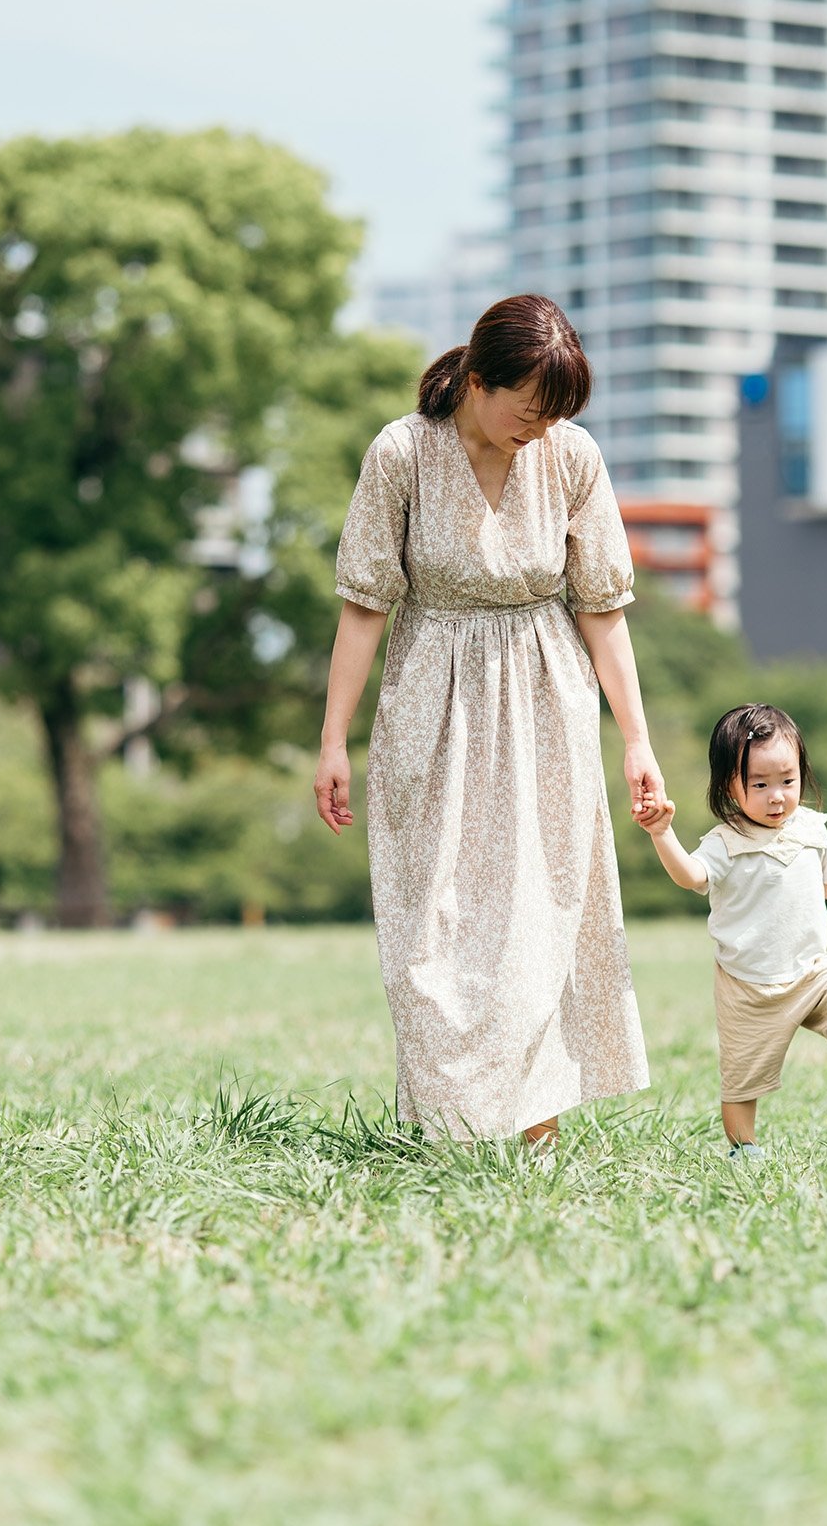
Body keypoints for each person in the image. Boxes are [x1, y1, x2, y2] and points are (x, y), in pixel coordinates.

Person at [313, 294, 663, 1148]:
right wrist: (333, 739)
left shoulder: (572, 458)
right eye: (529, 410)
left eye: (555, 416)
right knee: (431, 922)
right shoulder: (402, 453)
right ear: (477, 379)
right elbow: (364, 605)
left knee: (539, 916)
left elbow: (603, 610)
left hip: (548, 695)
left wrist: (638, 740)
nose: (539, 430)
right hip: (431, 696)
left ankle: (534, 1135)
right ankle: (452, 1129)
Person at [634, 702, 827, 1159]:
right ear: (730, 786)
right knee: (742, 1080)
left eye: (787, 781)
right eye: (760, 785)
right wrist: (662, 834)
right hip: (749, 985)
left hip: (809, 970)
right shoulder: (725, 843)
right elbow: (690, 876)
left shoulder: (809, 829)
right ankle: (743, 1148)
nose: (777, 796)